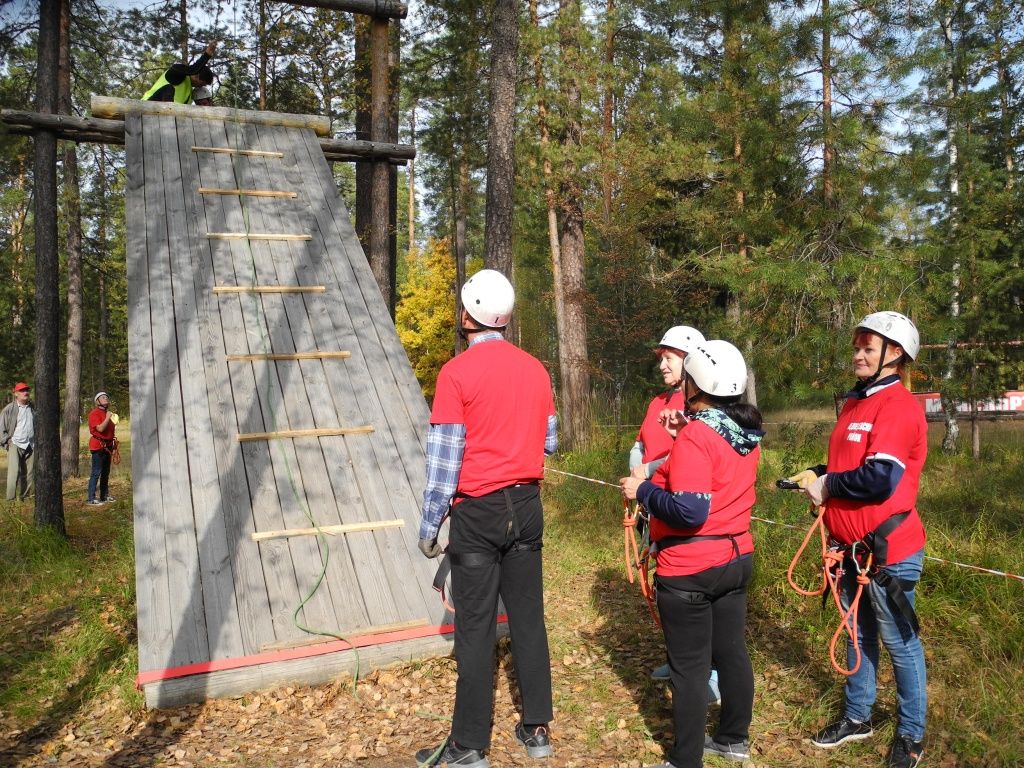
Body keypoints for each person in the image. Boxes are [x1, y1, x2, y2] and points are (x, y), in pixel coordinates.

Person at [415, 269, 558, 768]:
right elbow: (550, 441)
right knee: (528, 618)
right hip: (527, 507)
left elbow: (443, 462)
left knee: (474, 629)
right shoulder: (537, 370)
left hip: (477, 511)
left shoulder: (456, 375)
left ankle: (469, 744)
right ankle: (537, 728)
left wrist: (430, 525)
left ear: (467, 316)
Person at [786, 311, 927, 768]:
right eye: (858, 345)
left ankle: (910, 735)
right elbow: (852, 465)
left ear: (896, 354)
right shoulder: (853, 404)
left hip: (888, 552)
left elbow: (881, 478)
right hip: (847, 549)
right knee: (856, 634)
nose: (858, 354)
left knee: (899, 642)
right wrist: (819, 472)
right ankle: (858, 716)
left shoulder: (900, 406)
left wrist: (828, 487)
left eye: (869, 347)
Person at [621, 340, 762, 768]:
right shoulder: (745, 432)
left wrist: (642, 489)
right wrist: (683, 432)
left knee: (690, 667)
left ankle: (685, 760)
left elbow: (689, 509)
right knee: (731, 651)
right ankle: (734, 738)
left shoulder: (698, 437)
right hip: (736, 558)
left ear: (696, 382)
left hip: (692, 567)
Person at [627, 326, 721, 704]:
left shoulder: (698, 408)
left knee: (693, 592)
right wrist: (637, 466)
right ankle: (678, 656)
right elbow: (644, 443)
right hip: (654, 506)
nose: (662, 364)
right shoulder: (659, 403)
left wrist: (646, 473)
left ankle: (709, 672)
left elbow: (694, 449)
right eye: (661, 357)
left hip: (681, 507)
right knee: (666, 588)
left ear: (691, 360)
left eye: (670, 357)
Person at [142, 41, 217, 104]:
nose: (200, 87)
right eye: (201, 84)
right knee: (169, 89)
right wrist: (206, 55)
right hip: (149, 104)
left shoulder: (190, 94)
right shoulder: (177, 74)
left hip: (164, 116)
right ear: (196, 76)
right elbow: (193, 69)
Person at [1, 382, 35, 501]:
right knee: (14, 473)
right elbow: (2, 427)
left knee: (29, 473)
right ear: (15, 393)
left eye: (26, 390)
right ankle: (11, 500)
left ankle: (25, 497)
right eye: (21, 390)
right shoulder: (9, 409)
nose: (25, 392)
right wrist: (6, 440)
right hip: (15, 443)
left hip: (31, 444)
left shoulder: (33, 407)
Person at [87, 392, 119, 506]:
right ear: (97, 401)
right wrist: (107, 417)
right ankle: (91, 498)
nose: (106, 398)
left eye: (107, 397)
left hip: (108, 446)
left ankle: (104, 496)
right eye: (103, 397)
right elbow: (100, 429)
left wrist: (113, 444)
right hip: (98, 446)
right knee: (96, 472)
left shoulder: (108, 414)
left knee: (106, 472)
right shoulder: (94, 414)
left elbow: (110, 431)